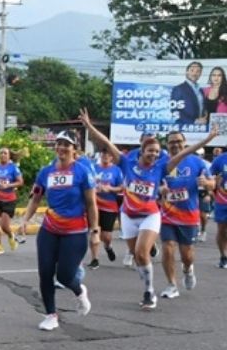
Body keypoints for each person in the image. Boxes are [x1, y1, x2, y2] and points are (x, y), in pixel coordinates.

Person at [79, 109, 217, 309]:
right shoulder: (126, 163)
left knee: (150, 252)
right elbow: (108, 144)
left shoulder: (161, 167)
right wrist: (89, 126)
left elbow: (186, 152)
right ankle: (151, 287)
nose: (153, 154)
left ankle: (152, 291)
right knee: (137, 255)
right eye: (150, 150)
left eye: (157, 152)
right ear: (142, 151)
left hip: (152, 215)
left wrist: (207, 139)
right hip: (128, 215)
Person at [17, 131, 96, 331]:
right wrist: (25, 219)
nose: (61, 148)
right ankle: (51, 314)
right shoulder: (45, 172)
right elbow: (35, 198)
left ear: (74, 149)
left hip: (75, 231)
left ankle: (79, 291)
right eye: (59, 143)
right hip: (50, 229)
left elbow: (91, 203)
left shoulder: (82, 172)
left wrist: (95, 229)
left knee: (64, 276)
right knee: (45, 273)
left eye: (66, 144)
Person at [157, 131, 209, 298]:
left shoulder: (196, 162)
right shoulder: (161, 163)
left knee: (187, 255)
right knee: (168, 248)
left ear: (185, 143)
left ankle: (188, 269)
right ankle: (171, 285)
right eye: (171, 142)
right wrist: (160, 190)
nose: (175, 145)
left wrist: (206, 183)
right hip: (167, 215)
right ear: (167, 145)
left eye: (178, 141)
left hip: (188, 216)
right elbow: (151, 185)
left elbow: (212, 182)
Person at [90, 149, 123, 268]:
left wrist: (110, 189)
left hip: (110, 206)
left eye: (108, 154)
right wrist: (94, 189)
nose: (105, 156)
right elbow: (87, 182)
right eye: (103, 154)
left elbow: (121, 188)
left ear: (112, 157)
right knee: (95, 231)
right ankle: (95, 259)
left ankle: (108, 246)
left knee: (106, 236)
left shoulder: (116, 170)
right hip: (94, 205)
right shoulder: (93, 168)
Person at [0, 147, 23, 255]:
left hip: (9, 199)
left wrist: (8, 185)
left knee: (4, 226)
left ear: (9, 156)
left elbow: (20, 182)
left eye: (5, 153)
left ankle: (10, 235)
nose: (3, 155)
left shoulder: (13, 168)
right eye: (1, 153)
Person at [208, 147, 227, 268]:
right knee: (222, 230)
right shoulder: (220, 159)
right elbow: (209, 176)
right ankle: (223, 256)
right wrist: (211, 188)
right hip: (223, 200)